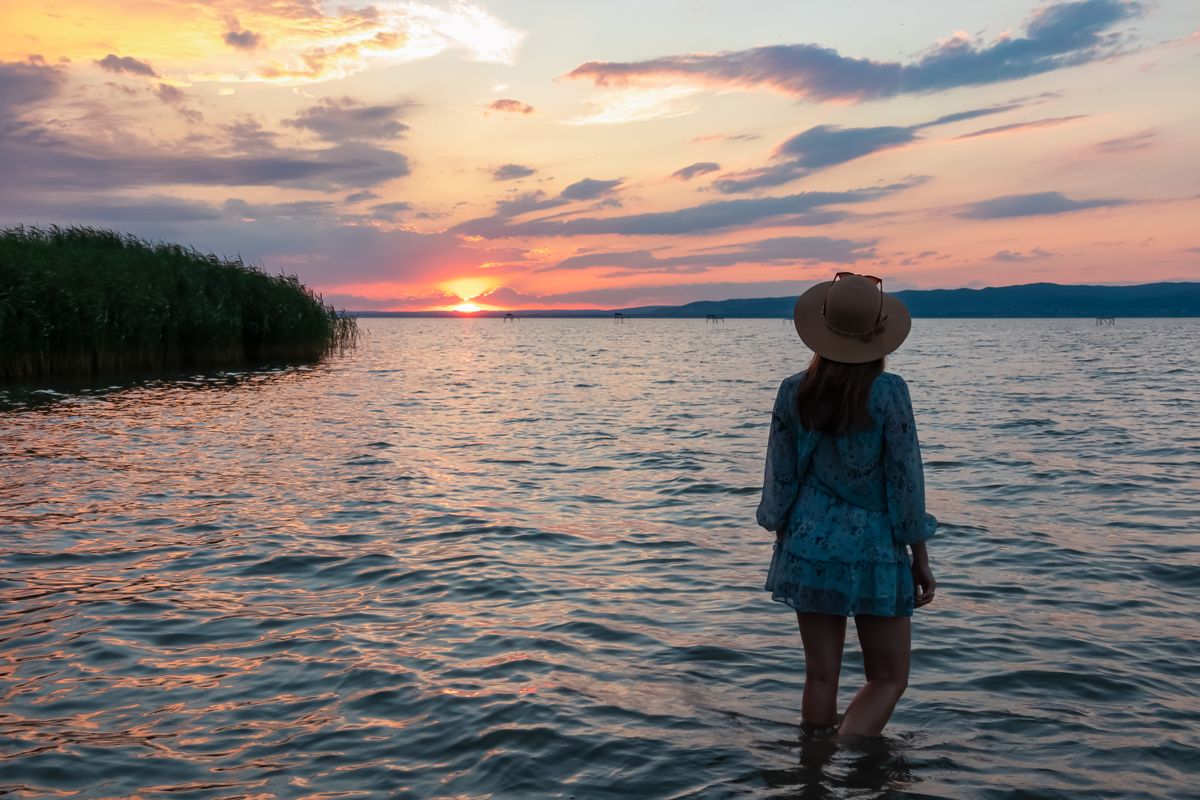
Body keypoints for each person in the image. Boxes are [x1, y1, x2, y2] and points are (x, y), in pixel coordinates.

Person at [756, 271, 937, 739]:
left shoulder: (793, 390)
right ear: (878, 334)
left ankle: (813, 773)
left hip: (808, 546)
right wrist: (919, 557)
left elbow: (780, 477)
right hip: (874, 549)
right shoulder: (888, 391)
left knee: (820, 676)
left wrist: (780, 531)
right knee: (888, 677)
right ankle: (848, 759)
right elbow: (905, 480)